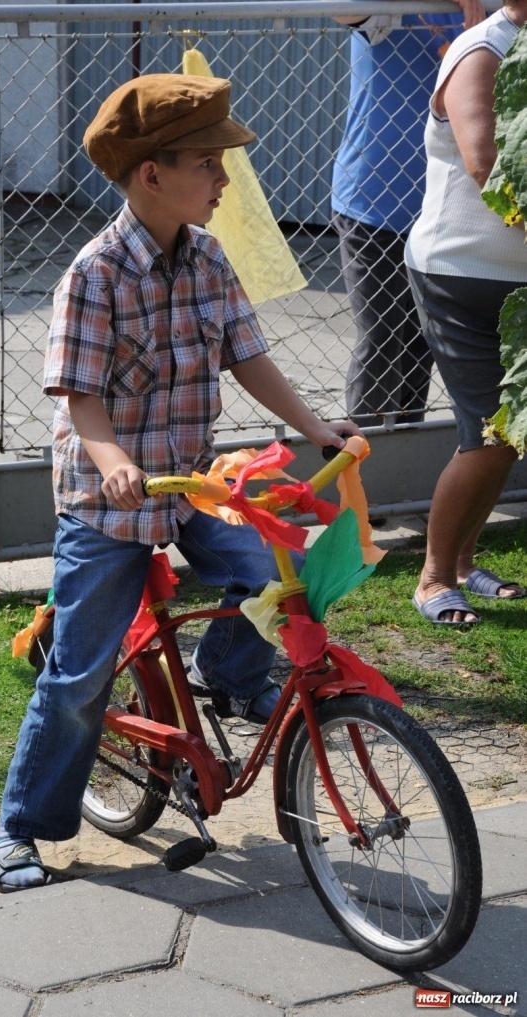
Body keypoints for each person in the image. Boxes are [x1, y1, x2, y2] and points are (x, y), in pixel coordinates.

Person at [0, 73, 361, 892]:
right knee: (80, 674)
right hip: (109, 496)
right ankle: (19, 827)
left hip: (192, 484)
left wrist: (313, 427)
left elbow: (247, 353)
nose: (225, 181)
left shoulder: (209, 256)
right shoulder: (94, 273)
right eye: (209, 164)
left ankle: (223, 681)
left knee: (262, 573)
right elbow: (80, 394)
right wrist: (113, 461)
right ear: (152, 174)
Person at [405, 1, 527, 625]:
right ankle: (431, 578)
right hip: (460, 274)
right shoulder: (483, 51)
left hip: (518, 281)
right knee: (489, 435)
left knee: (510, 436)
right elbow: (486, 167)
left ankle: (461, 564)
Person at [331, 0, 486, 427]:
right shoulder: (391, 9)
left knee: (422, 342)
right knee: (382, 339)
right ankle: (365, 460)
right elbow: (342, 9)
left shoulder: (489, 11)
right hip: (372, 201)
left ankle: (406, 443)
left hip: (443, 204)